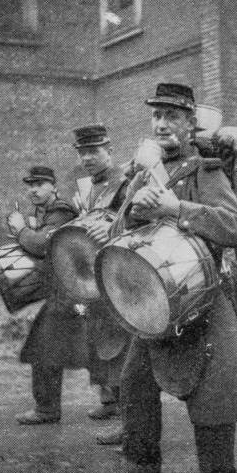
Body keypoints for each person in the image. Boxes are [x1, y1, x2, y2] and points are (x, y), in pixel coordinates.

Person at [120, 83, 237, 473]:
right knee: (133, 387)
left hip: (204, 302)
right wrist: (134, 214)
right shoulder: (141, 176)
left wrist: (175, 207)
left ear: (190, 123)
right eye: (156, 116)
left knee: (213, 397)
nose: (161, 124)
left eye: (172, 117)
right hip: (155, 303)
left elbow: (235, 228)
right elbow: (117, 232)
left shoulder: (205, 171)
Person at [69, 124, 131, 444]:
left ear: (110, 151)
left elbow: (134, 224)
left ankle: (128, 420)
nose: (88, 158)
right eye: (83, 152)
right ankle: (110, 400)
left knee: (120, 343)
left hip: (119, 269)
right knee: (100, 336)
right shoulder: (90, 187)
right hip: (96, 269)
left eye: (94, 151)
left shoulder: (124, 183)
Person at [10, 166, 81, 424]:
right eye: (30, 185)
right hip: (68, 290)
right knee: (93, 348)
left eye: (40, 184)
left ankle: (47, 409)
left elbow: (42, 245)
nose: (33, 189)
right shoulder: (45, 213)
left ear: (53, 186)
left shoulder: (61, 211)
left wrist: (21, 231)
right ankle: (111, 403)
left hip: (72, 291)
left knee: (43, 346)